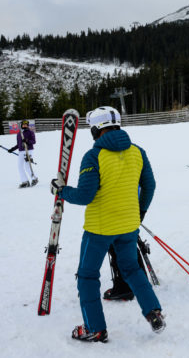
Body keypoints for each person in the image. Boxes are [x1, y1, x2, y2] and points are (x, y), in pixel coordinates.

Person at [49, 106, 164, 342]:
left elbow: (84, 196)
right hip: (129, 224)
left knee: (88, 276)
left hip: (99, 228)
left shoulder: (94, 156)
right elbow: (150, 186)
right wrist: (139, 213)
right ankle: (153, 311)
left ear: (95, 129)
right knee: (131, 269)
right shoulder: (138, 152)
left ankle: (95, 328)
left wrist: (61, 191)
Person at [8, 120, 38, 188]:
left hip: (28, 150)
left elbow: (34, 141)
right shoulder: (19, 133)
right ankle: (25, 181)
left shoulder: (30, 132)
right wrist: (12, 149)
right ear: (21, 125)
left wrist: (27, 141)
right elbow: (18, 144)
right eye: (23, 124)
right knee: (19, 166)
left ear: (28, 125)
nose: (24, 125)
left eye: (26, 124)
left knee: (27, 166)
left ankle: (34, 179)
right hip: (21, 151)